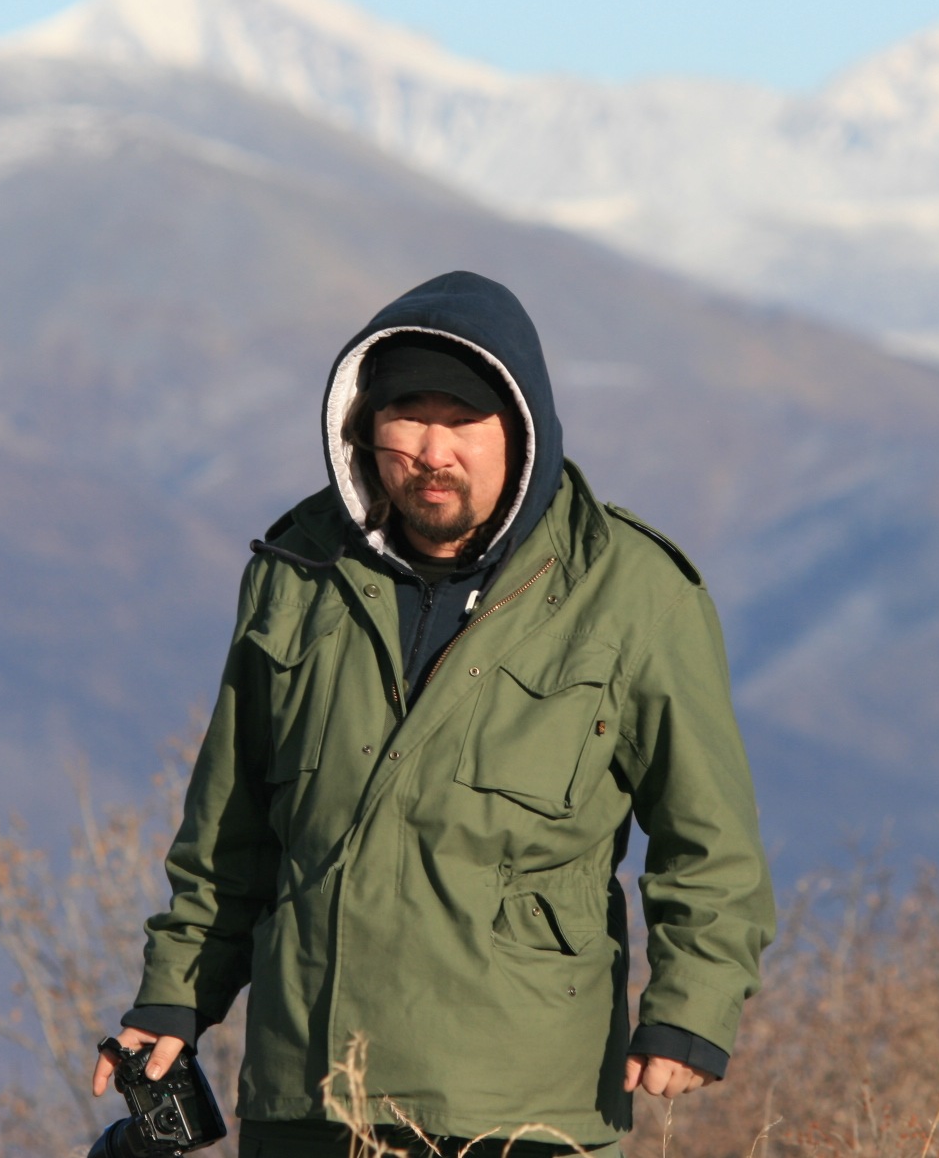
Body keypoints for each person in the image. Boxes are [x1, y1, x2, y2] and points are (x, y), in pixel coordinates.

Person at [92, 271, 775, 1156]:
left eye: (463, 421)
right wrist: (175, 997)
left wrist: (690, 1008)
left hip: (522, 1097)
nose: (432, 450)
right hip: (309, 1090)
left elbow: (709, 835)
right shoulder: (297, 571)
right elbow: (232, 826)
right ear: (364, 427)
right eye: (407, 418)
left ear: (521, 430)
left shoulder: (632, 592)